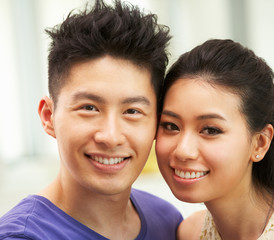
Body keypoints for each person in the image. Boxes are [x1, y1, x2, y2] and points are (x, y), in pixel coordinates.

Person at [0, 0, 183, 239]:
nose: (110, 136)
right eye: (89, 108)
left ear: (156, 124)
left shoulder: (167, 220)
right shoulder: (23, 236)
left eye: (132, 111)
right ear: (48, 116)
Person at [156, 39, 274, 239]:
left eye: (210, 130)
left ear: (260, 143)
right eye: (171, 126)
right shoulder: (189, 232)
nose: (183, 150)